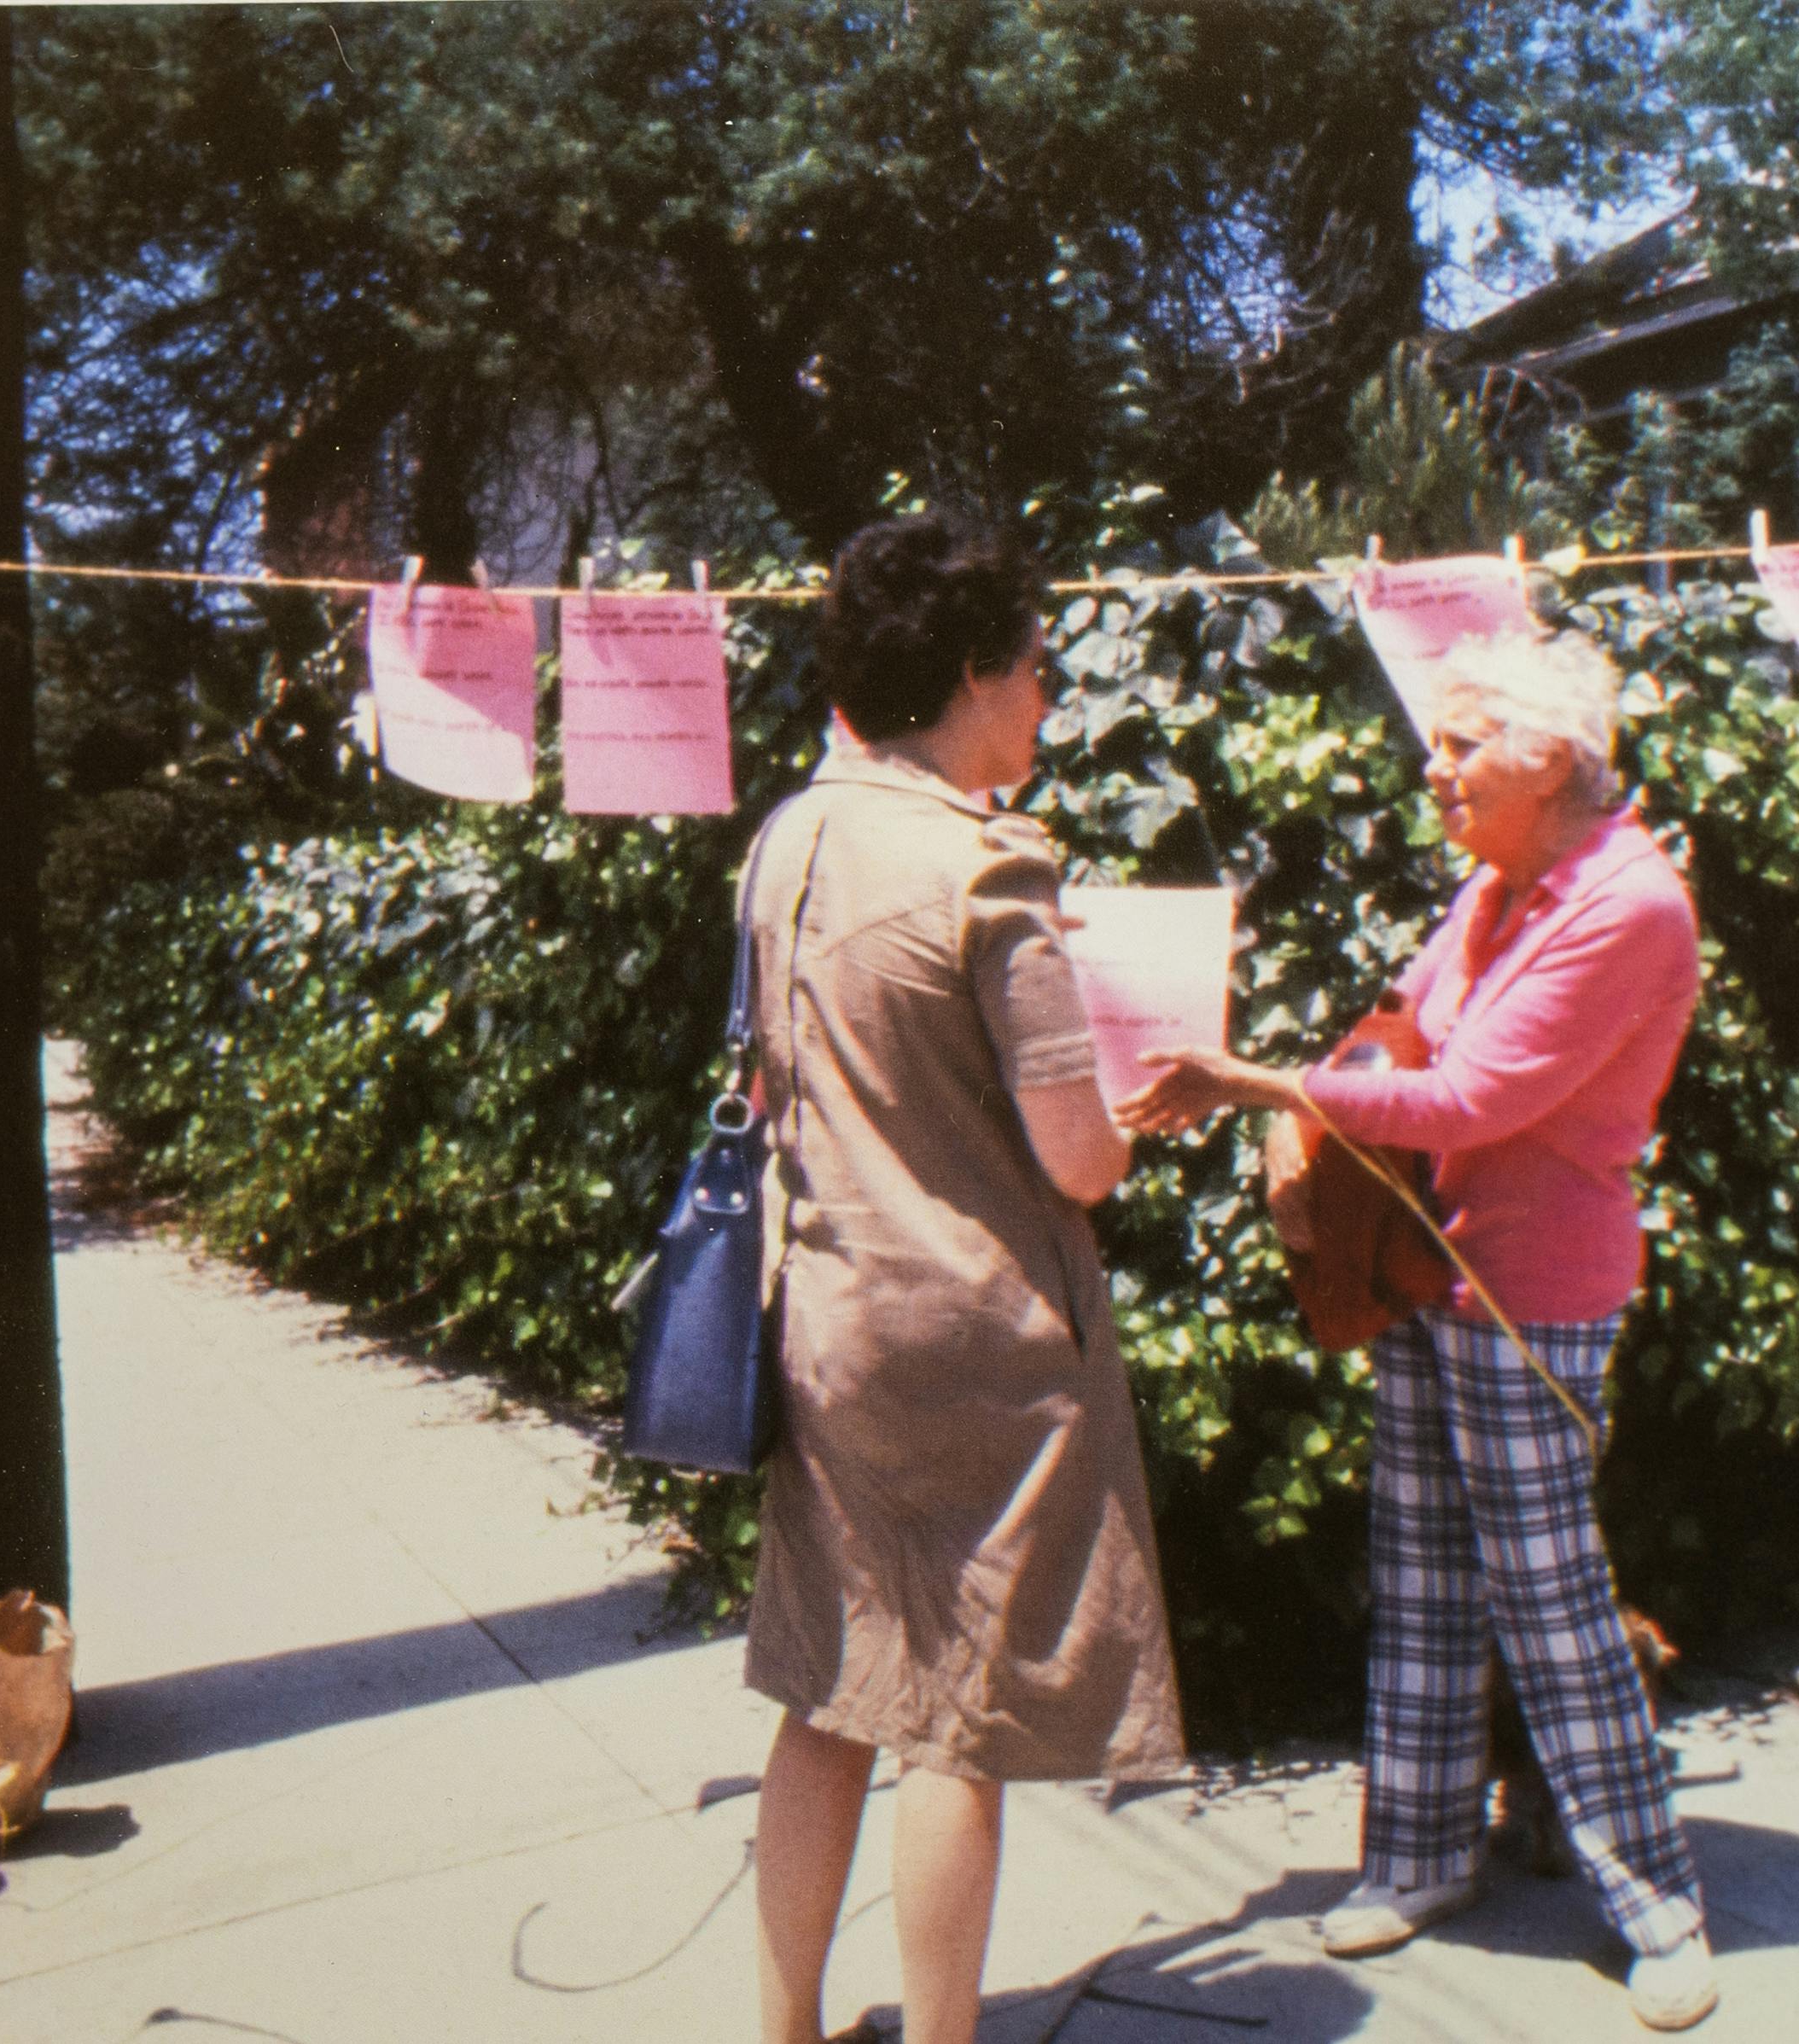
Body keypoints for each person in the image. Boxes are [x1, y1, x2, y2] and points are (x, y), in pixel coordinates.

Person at [1118, 632, 1718, 2031]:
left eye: (1461, 746)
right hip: (1431, 1275)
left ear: (1552, 758)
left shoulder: (1628, 907)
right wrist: (1318, 1104)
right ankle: (1423, 1855)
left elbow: (1470, 1103)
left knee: (1553, 1606)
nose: (1431, 771)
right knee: (1428, 1577)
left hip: (1531, 1297)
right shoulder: (1499, 886)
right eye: (1435, 744)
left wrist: (1271, 1090)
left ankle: (1658, 1901)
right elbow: (1413, 1039)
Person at [740, 511, 1184, 2044]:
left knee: (830, 1690)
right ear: (975, 675)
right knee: (960, 1726)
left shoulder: (788, 836)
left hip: (826, 1318)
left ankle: (786, 2028)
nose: (1049, 699)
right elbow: (1078, 1163)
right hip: (978, 1346)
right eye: (1037, 670)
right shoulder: (991, 868)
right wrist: (1145, 1101)